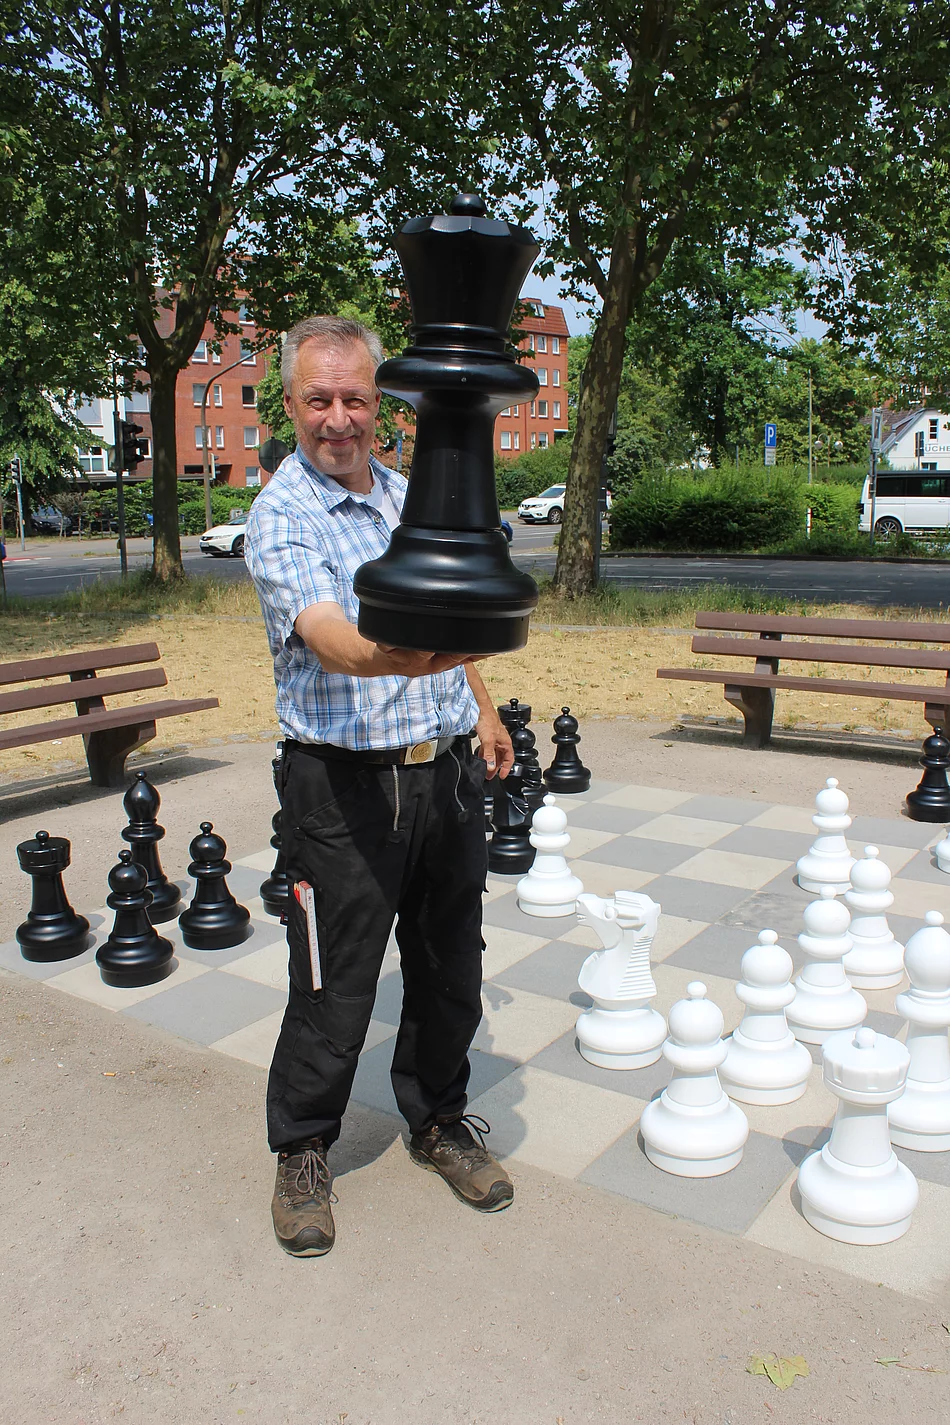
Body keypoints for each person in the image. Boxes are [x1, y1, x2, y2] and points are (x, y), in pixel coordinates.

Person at [245, 315, 515, 1258]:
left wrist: (475, 699)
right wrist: (401, 659)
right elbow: (327, 633)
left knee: (452, 965)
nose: (338, 418)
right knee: (333, 982)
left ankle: (439, 1118)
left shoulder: (408, 496)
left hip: (437, 774)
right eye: (318, 399)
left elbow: (447, 618)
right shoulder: (283, 513)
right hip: (338, 786)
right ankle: (303, 1149)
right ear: (291, 405)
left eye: (356, 397)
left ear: (380, 407)